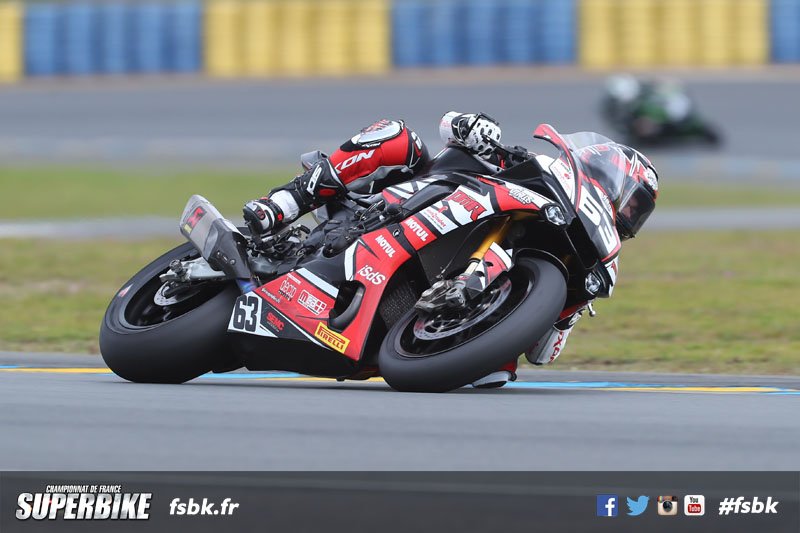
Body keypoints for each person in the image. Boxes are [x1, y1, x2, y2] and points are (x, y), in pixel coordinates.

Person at [243, 112, 659, 388]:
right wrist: (474, 129)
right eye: (631, 200)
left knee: (496, 374)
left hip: (395, 336)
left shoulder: (580, 256)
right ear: (599, 166)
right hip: (390, 208)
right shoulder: (531, 167)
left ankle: (438, 333)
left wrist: (566, 314)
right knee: (398, 136)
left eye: (637, 212)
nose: (628, 212)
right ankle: (283, 205)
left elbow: (543, 355)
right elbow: (450, 126)